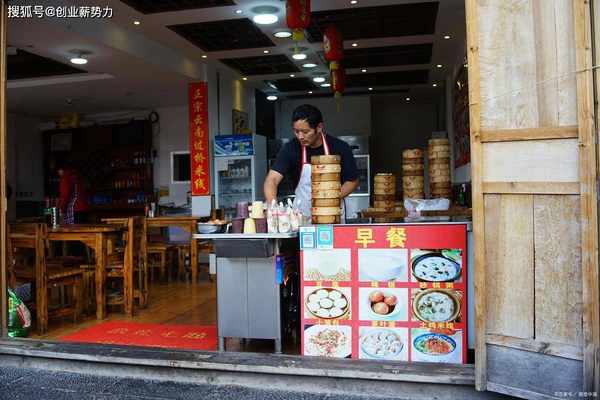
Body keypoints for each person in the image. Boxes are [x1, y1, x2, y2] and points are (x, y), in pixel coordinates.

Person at [264, 104, 358, 219]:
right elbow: (272, 179)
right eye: (296, 131)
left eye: (305, 132)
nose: (300, 136)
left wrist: (330, 199)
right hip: (302, 215)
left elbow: (352, 181)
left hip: (332, 213)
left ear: (319, 127)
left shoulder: (339, 147)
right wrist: (273, 208)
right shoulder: (290, 148)